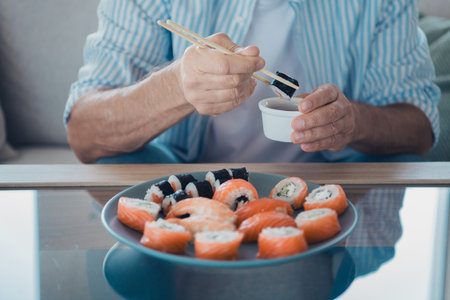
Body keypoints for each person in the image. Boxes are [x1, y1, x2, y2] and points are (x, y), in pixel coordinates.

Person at [64, 0, 440, 164]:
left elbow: (420, 128)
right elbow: (83, 131)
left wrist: (352, 121)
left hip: (328, 192)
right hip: (184, 190)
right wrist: (177, 86)